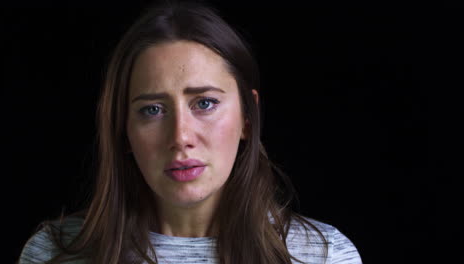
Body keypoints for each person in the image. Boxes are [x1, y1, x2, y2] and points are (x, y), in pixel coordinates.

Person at [18, 1, 362, 263]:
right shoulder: (52, 254)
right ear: (123, 128)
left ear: (248, 116)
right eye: (152, 110)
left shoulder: (324, 256)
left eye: (205, 103)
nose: (181, 136)